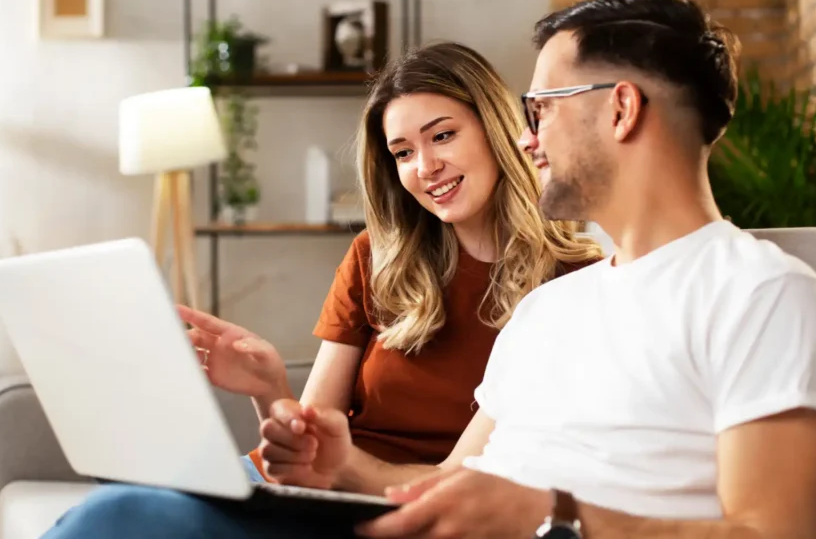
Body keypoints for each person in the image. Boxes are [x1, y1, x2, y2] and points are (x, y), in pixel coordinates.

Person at [48, 0, 816, 539]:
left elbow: (772, 533)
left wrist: (554, 516)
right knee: (118, 516)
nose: (528, 137)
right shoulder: (556, 311)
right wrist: (343, 464)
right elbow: (448, 480)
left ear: (620, 108)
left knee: (122, 522)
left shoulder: (763, 295)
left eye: (540, 110)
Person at [41, 42, 601, 537]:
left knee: (118, 518)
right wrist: (270, 387)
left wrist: (339, 470)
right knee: (116, 506)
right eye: (403, 152)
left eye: (443, 136)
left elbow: (454, 484)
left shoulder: (574, 286)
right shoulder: (376, 260)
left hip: (396, 508)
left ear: (497, 132)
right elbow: (304, 450)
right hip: (316, 494)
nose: (425, 166)